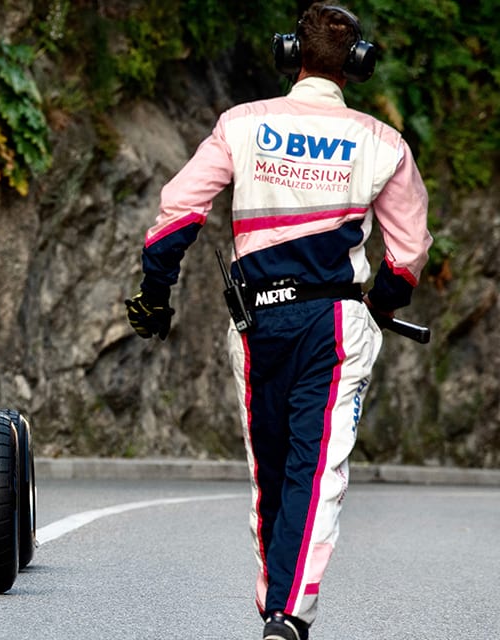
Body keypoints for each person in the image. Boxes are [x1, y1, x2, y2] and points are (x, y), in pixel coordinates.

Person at [123, 4, 433, 640]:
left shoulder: (242, 125)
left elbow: (178, 216)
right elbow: (408, 254)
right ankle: (288, 613)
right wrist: (379, 307)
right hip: (334, 325)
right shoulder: (383, 143)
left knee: (270, 474)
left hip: (257, 327)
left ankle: (279, 609)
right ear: (358, 65)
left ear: (290, 54)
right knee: (316, 471)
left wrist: (157, 296)